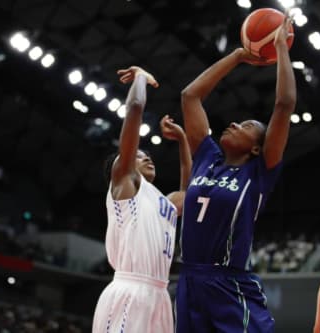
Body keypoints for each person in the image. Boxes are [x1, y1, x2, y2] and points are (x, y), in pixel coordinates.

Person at [175, 16, 296, 333]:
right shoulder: (206, 157)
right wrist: (239, 55)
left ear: (257, 148)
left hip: (229, 283)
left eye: (245, 126)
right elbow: (190, 96)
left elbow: (284, 104)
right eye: (236, 122)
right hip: (188, 279)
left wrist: (281, 47)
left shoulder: (259, 172)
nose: (233, 124)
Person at [92, 66, 191, 333]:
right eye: (138, 155)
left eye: (147, 154)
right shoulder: (125, 182)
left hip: (159, 295)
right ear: (121, 165)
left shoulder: (163, 202)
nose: (146, 156)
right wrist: (140, 78)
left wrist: (182, 140)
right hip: (130, 291)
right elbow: (135, 109)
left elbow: (189, 190)